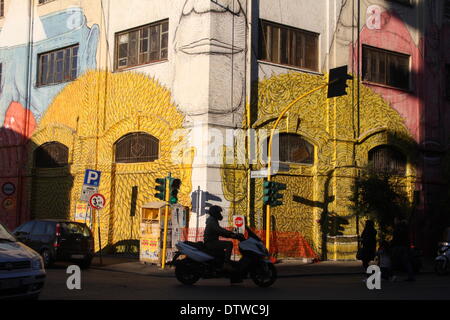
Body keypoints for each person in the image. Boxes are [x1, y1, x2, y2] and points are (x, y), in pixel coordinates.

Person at [203, 205, 240, 270]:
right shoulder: (212, 221)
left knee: (222, 252)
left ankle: (220, 264)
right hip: (211, 243)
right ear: (215, 213)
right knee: (229, 244)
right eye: (219, 212)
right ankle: (226, 264)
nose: (220, 214)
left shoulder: (212, 220)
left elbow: (219, 232)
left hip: (211, 242)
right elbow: (219, 230)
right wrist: (230, 234)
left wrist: (230, 235)